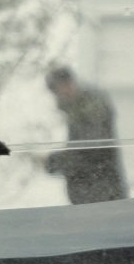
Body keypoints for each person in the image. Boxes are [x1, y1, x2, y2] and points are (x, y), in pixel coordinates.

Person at [43, 65, 129, 204]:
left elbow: (91, 152)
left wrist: (52, 162)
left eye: (62, 87)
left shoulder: (93, 107)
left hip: (102, 196)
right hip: (91, 195)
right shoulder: (75, 110)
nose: (61, 94)